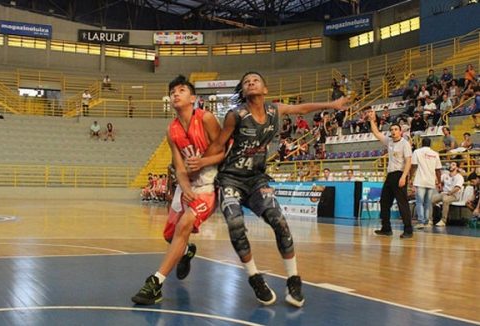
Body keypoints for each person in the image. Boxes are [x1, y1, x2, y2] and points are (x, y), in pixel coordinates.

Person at [203, 71, 349, 308]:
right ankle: (254, 277)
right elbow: (218, 144)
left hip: (257, 179)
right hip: (230, 179)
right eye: (246, 82)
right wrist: (199, 166)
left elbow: (302, 109)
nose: (251, 83)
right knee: (235, 225)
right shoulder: (235, 115)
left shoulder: (274, 110)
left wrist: (332, 104)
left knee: (279, 222)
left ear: (265, 89)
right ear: (244, 90)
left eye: (255, 80)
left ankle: (293, 279)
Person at [131, 75, 222, 305]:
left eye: (181, 90)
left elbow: (224, 151)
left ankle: (155, 283)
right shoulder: (171, 130)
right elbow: (179, 166)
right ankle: (188, 250)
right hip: (187, 186)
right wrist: (183, 185)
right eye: (172, 92)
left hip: (208, 185)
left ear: (193, 98)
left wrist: (203, 163)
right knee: (170, 236)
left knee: (183, 226)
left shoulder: (207, 118)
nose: (175, 94)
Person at [368, 109, 413, 238]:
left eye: (395, 129)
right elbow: (376, 133)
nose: (393, 131)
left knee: (402, 203)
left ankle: (408, 230)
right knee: (384, 202)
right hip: (390, 176)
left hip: (400, 174)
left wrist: (404, 177)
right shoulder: (389, 142)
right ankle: (386, 228)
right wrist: (372, 120)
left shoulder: (405, 144)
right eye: (392, 130)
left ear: (400, 131)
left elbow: (408, 161)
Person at [410, 138, 442, 229]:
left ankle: (421, 221)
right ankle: (427, 222)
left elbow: (413, 166)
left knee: (419, 202)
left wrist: (410, 177)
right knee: (427, 203)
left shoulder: (417, 151)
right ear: (430, 144)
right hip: (431, 181)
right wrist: (439, 182)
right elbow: (438, 170)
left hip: (420, 180)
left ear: (421, 143)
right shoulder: (435, 154)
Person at [431, 162, 464, 226]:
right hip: (444, 194)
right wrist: (438, 184)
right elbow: (437, 181)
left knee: (445, 200)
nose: (451, 166)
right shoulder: (445, 175)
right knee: (431, 200)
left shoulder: (459, 177)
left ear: (457, 168)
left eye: (453, 165)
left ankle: (443, 221)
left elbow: (457, 188)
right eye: (450, 164)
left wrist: (449, 193)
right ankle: (430, 220)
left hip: (454, 195)